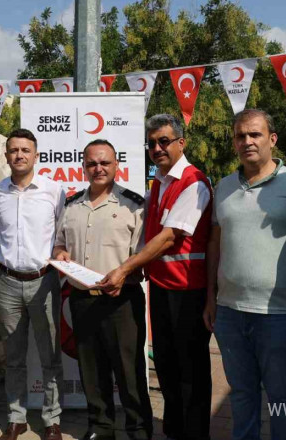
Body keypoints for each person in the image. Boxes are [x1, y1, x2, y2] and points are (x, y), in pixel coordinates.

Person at [203, 109, 286, 440]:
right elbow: (215, 244)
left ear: (272, 139)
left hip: (280, 316)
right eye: (240, 135)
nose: (247, 141)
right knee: (242, 396)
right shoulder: (224, 187)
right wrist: (211, 299)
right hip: (230, 312)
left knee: (284, 398)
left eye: (255, 134)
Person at [99, 114, 213, 440]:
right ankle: (175, 431)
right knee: (166, 364)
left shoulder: (194, 182)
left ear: (181, 142)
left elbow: (168, 238)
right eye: (151, 143)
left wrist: (123, 269)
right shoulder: (159, 182)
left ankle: (193, 433)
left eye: (164, 141)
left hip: (188, 289)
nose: (157, 148)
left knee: (190, 372)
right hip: (162, 288)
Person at [52, 140, 151, 440]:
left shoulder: (134, 205)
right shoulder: (71, 206)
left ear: (116, 166)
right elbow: (59, 243)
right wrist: (59, 254)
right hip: (82, 301)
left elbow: (143, 255)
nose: (98, 168)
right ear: (83, 166)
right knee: (91, 372)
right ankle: (101, 428)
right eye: (92, 163)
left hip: (122, 301)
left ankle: (138, 430)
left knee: (129, 373)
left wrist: (125, 274)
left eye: (105, 162)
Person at [0, 128, 65, 440]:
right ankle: (16, 418)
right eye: (13, 150)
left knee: (49, 356)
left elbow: (60, 233)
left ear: (35, 155)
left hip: (44, 281)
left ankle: (51, 420)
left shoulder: (53, 190)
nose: (19, 155)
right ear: (6, 155)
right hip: (7, 282)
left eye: (25, 150)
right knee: (14, 357)